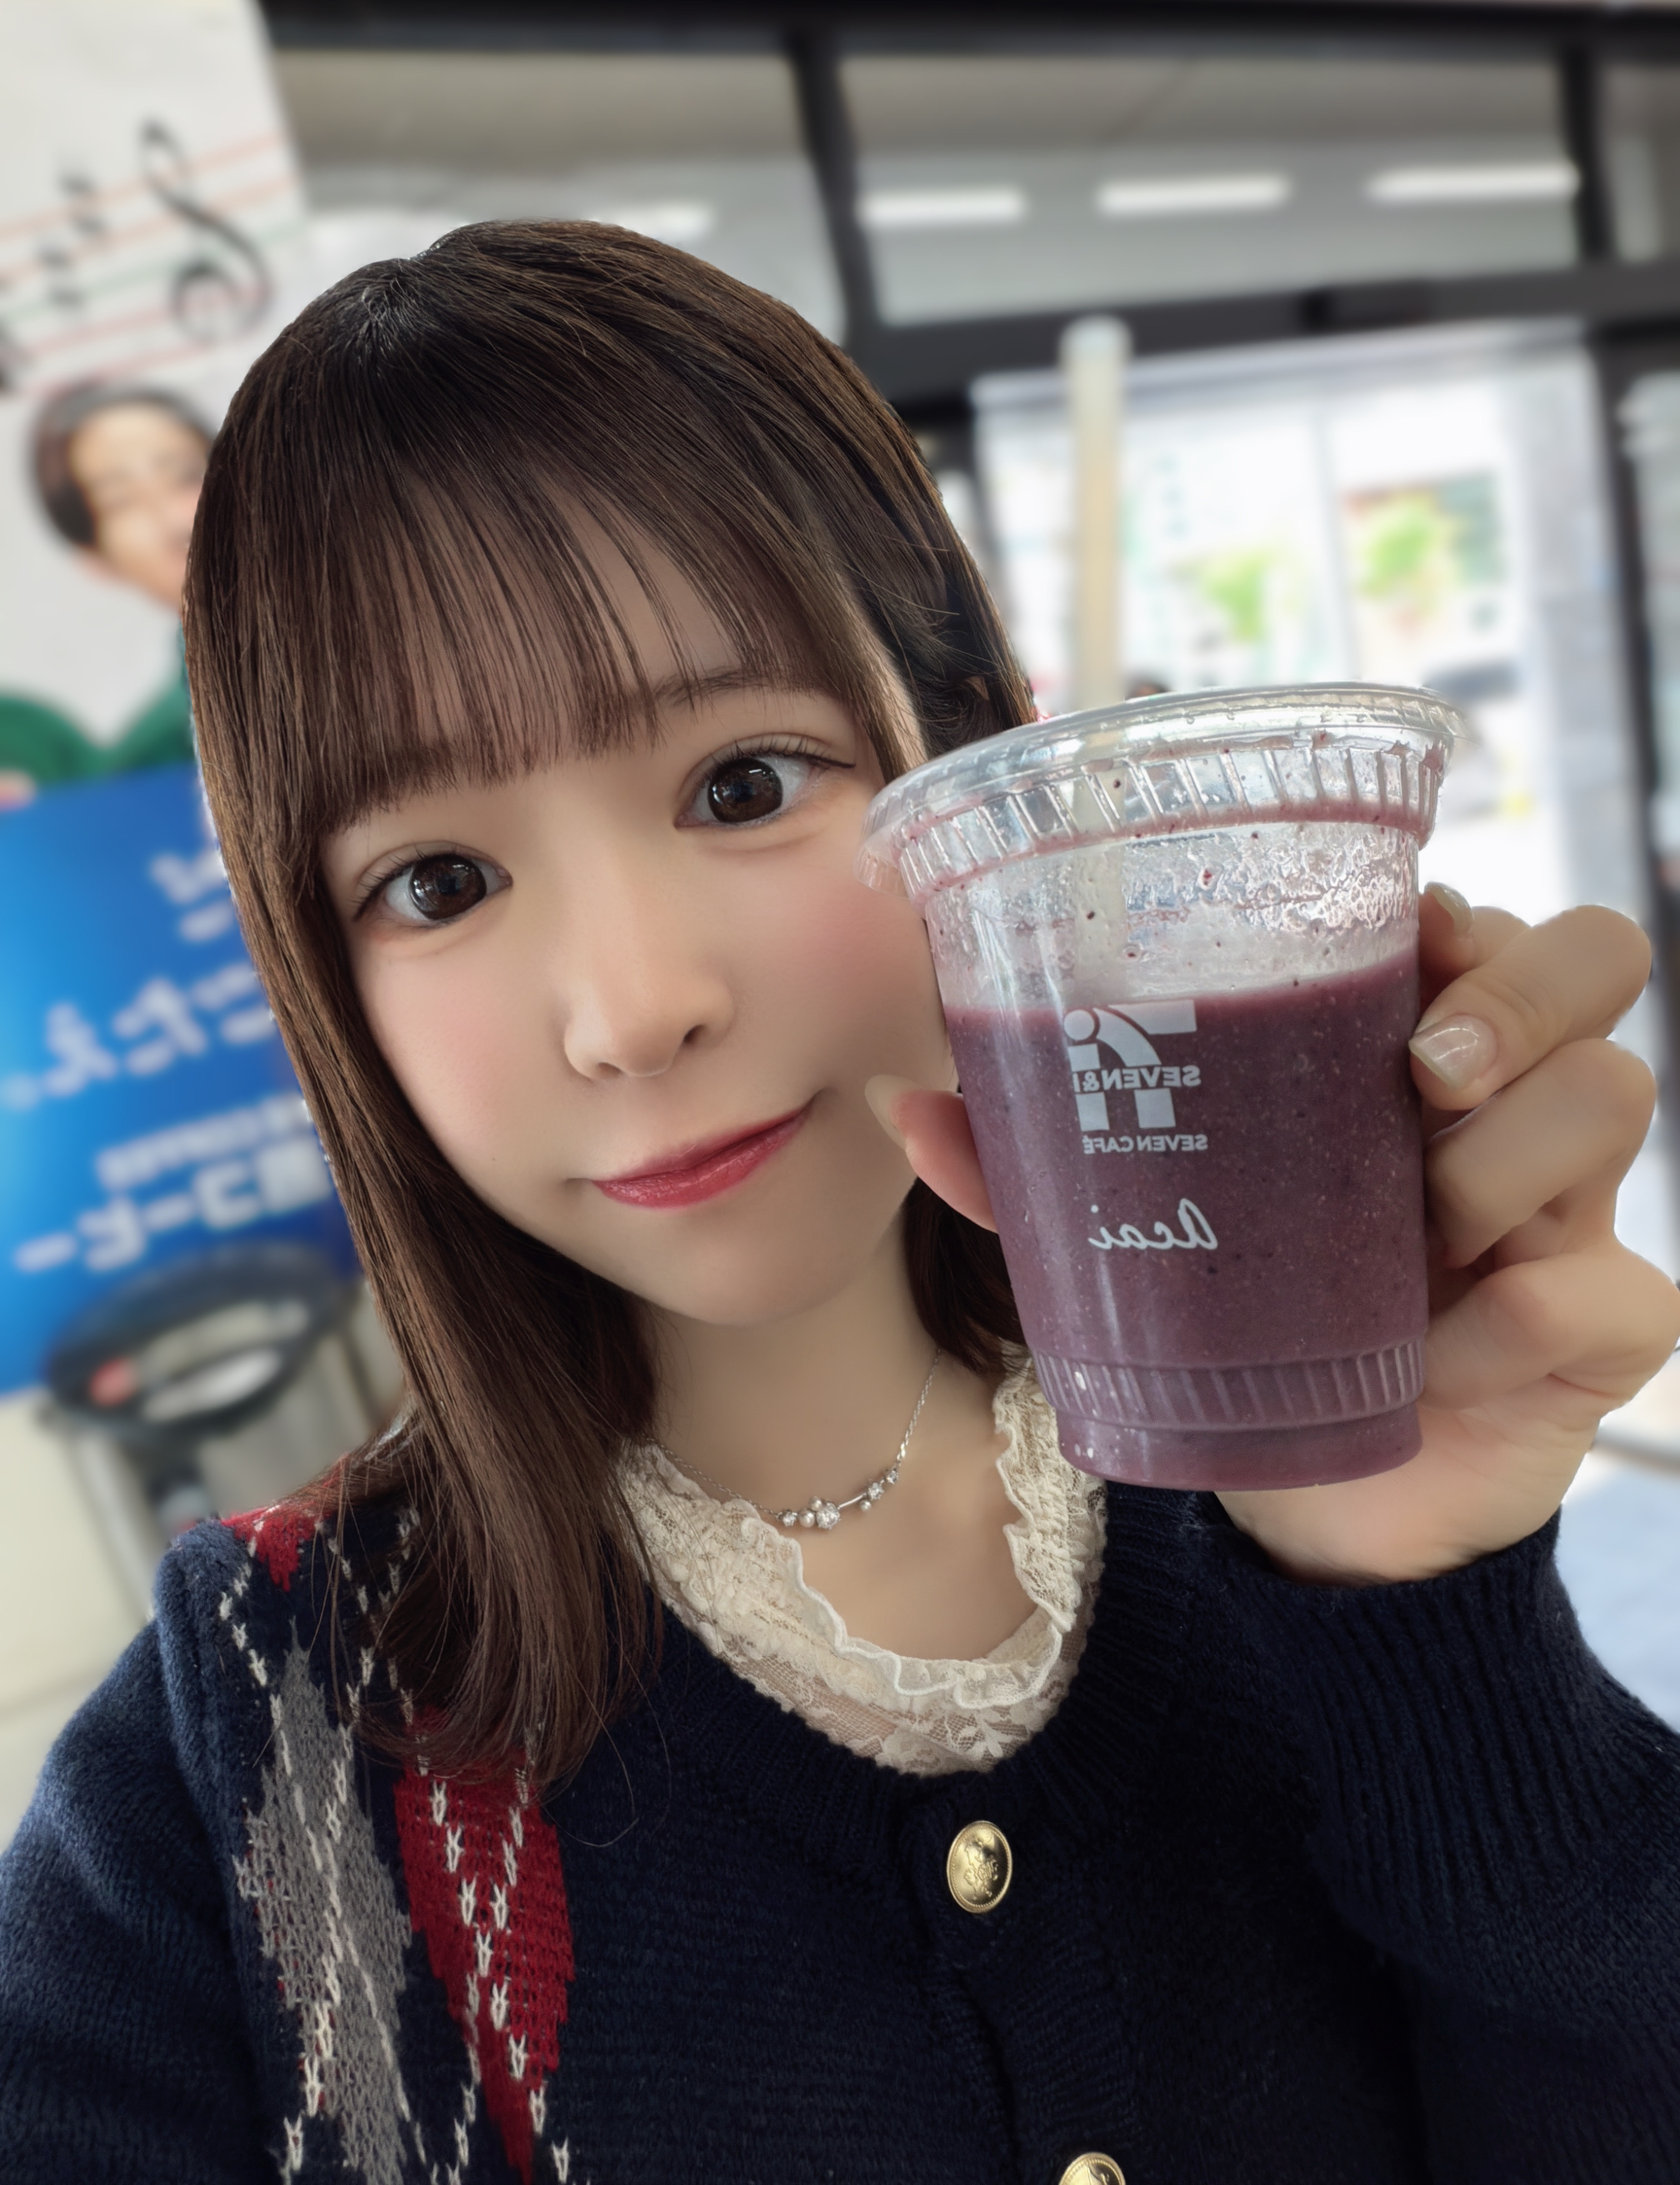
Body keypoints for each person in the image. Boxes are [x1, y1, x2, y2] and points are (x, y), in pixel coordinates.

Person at [1, 221, 1677, 2182]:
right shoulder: (253, 1756)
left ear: (976, 754)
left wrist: (1430, 1626)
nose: (634, 1009)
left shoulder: (1279, 1514)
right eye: (435, 883)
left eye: (743, 783)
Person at [0, 384, 207, 804]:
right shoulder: (153, 761)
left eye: (187, 476)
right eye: (122, 501)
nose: (177, 522)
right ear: (94, 558)